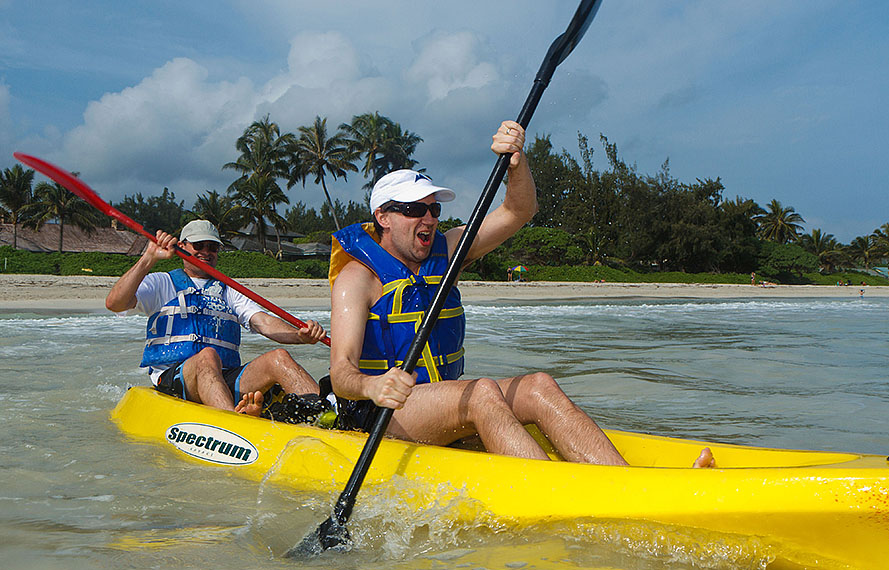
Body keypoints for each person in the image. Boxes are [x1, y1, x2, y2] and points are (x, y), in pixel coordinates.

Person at [328, 121, 714, 468]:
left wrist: (517, 161)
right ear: (383, 217)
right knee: (481, 393)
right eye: (415, 210)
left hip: (438, 401)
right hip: (380, 413)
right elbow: (341, 373)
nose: (428, 219)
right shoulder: (357, 279)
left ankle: (621, 482)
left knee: (538, 385)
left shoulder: (449, 250)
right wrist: (373, 385)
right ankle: (558, 491)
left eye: (433, 210)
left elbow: (519, 210)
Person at [106, 219, 327, 416]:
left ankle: (324, 415)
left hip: (224, 377)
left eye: (212, 247)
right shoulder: (161, 283)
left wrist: (300, 335)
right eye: (198, 246)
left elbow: (265, 322)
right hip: (176, 379)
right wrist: (149, 258)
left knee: (279, 357)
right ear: (181, 247)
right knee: (207, 356)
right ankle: (233, 421)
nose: (206, 252)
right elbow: (115, 303)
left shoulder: (228, 291)